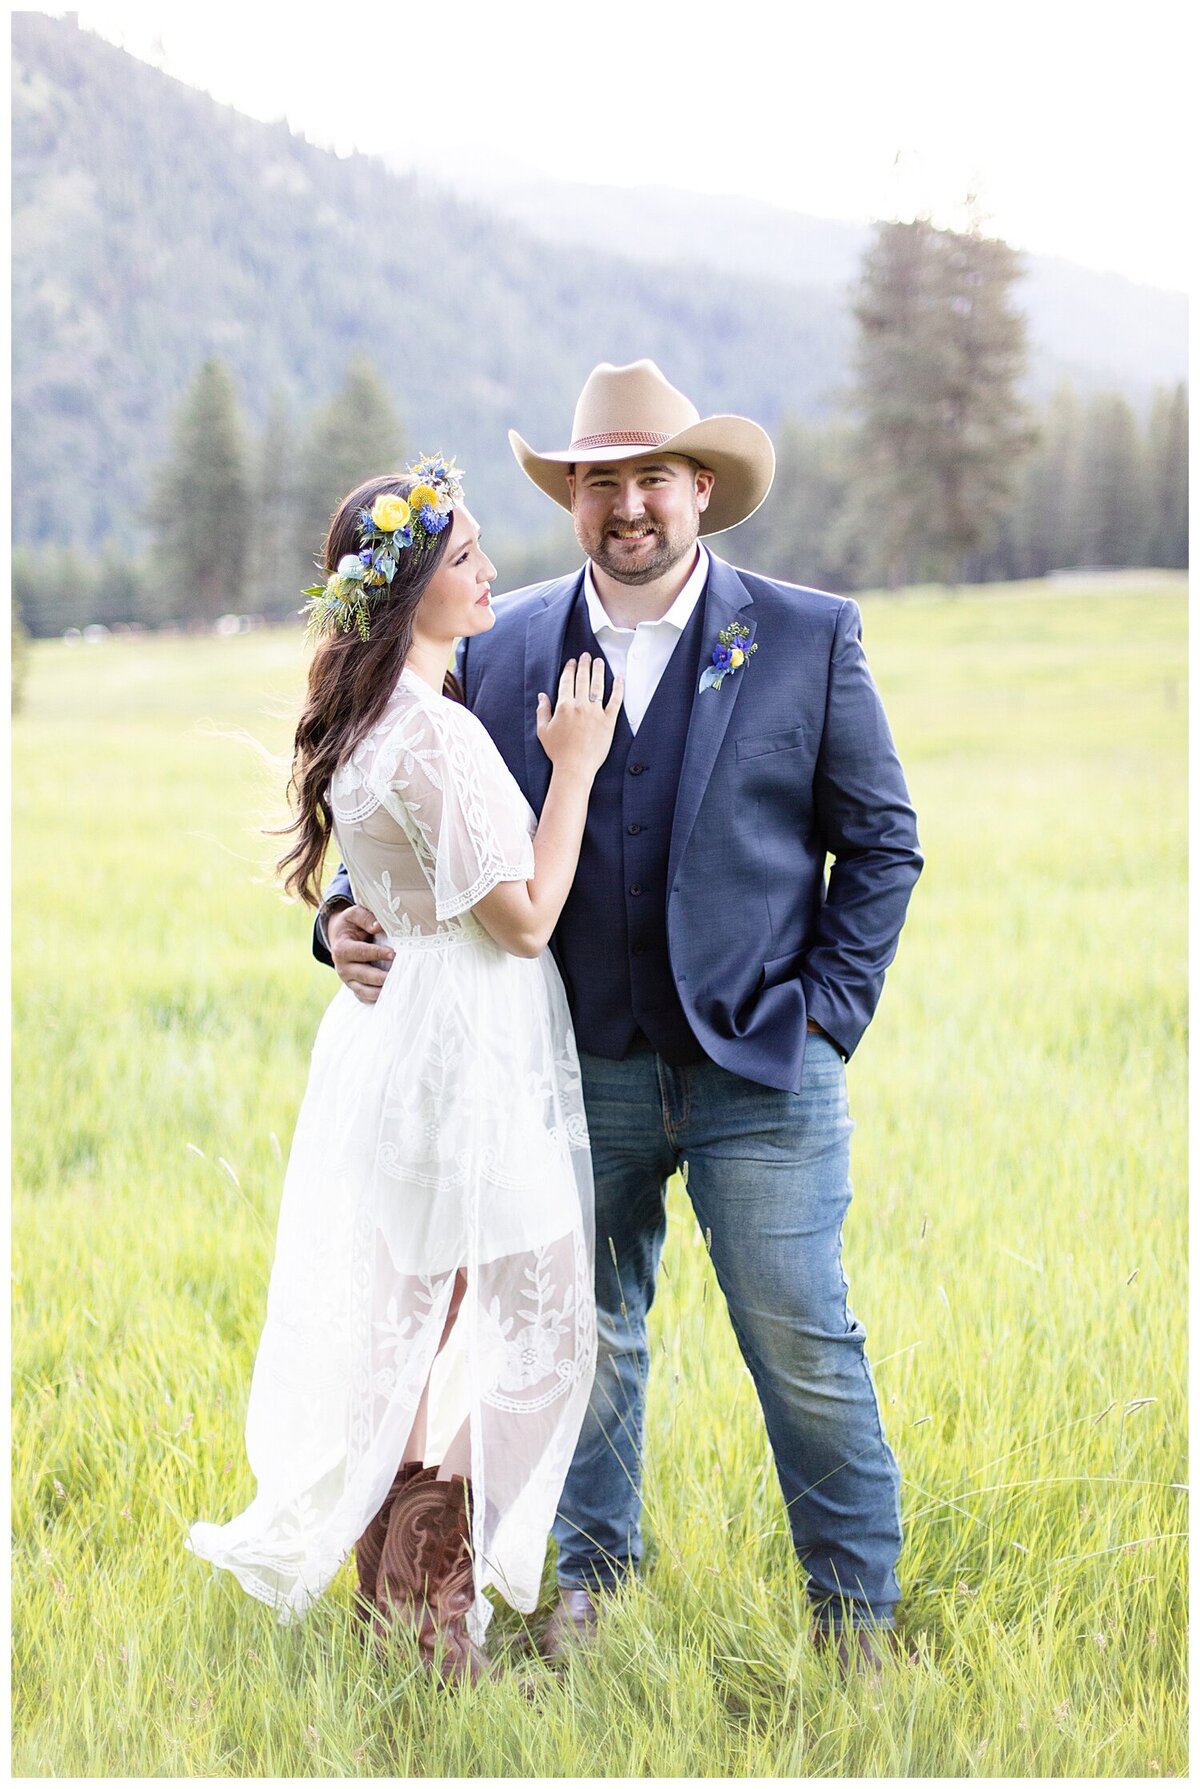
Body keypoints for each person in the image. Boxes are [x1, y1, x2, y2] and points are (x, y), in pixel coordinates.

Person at [317, 363, 923, 1675]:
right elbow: (406, 794)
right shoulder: (504, 637)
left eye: (653, 478)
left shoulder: (810, 636)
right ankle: (589, 1592)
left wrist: (826, 1017)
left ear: (702, 488)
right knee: (575, 1339)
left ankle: (858, 1621)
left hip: (765, 1069)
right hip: (570, 1063)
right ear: (574, 499)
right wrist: (336, 914)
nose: (629, 506)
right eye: (602, 483)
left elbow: (882, 844)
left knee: (802, 1339)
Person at [188, 457, 623, 1684]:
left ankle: (409, 1608)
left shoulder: (372, 728)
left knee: (425, 1331)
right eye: (466, 557)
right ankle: (450, 1618)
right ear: (410, 594)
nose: (491, 571)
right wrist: (575, 762)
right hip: (462, 1054)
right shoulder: (433, 734)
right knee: (534, 1329)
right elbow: (526, 917)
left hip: (402, 1049)